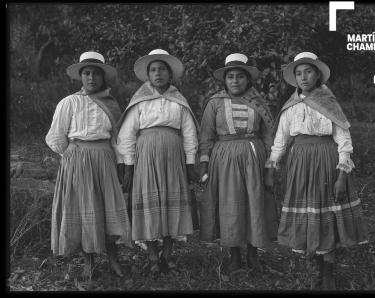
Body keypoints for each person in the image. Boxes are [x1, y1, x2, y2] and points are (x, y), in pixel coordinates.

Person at [265, 52, 368, 290]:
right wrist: (272, 167)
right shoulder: (290, 107)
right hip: (300, 163)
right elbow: (280, 140)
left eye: (308, 71)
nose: (303, 77)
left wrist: (342, 175)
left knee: (326, 210)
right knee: (309, 210)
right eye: (299, 73)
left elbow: (344, 139)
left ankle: (328, 269)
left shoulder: (329, 103)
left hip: (326, 161)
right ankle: (315, 262)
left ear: (318, 75)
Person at [45, 51, 132, 278]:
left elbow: (118, 139)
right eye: (86, 73)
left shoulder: (111, 105)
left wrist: (122, 163)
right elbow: (55, 136)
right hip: (78, 159)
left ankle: (113, 259)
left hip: (104, 158)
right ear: (80, 77)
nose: (91, 78)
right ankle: (89, 262)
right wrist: (70, 153)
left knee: (108, 208)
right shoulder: (70, 102)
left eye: (96, 74)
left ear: (103, 78)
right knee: (85, 209)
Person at [117, 49, 199, 275]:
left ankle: (168, 254)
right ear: (148, 75)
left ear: (170, 74)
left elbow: (190, 133)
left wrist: (190, 162)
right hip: (146, 156)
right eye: (153, 70)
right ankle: (153, 256)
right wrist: (129, 166)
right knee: (149, 203)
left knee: (171, 201)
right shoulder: (139, 101)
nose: (158, 73)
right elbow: (127, 135)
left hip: (173, 156)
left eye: (162, 69)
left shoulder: (179, 101)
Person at [198, 53, 278, 274]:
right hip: (224, 160)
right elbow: (206, 136)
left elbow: (269, 136)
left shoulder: (259, 103)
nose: (235, 81)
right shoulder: (215, 103)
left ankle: (253, 256)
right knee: (230, 205)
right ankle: (234, 256)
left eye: (240, 76)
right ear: (224, 80)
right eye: (230, 76)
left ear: (248, 79)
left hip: (254, 158)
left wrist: (270, 167)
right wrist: (203, 166)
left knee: (254, 203)